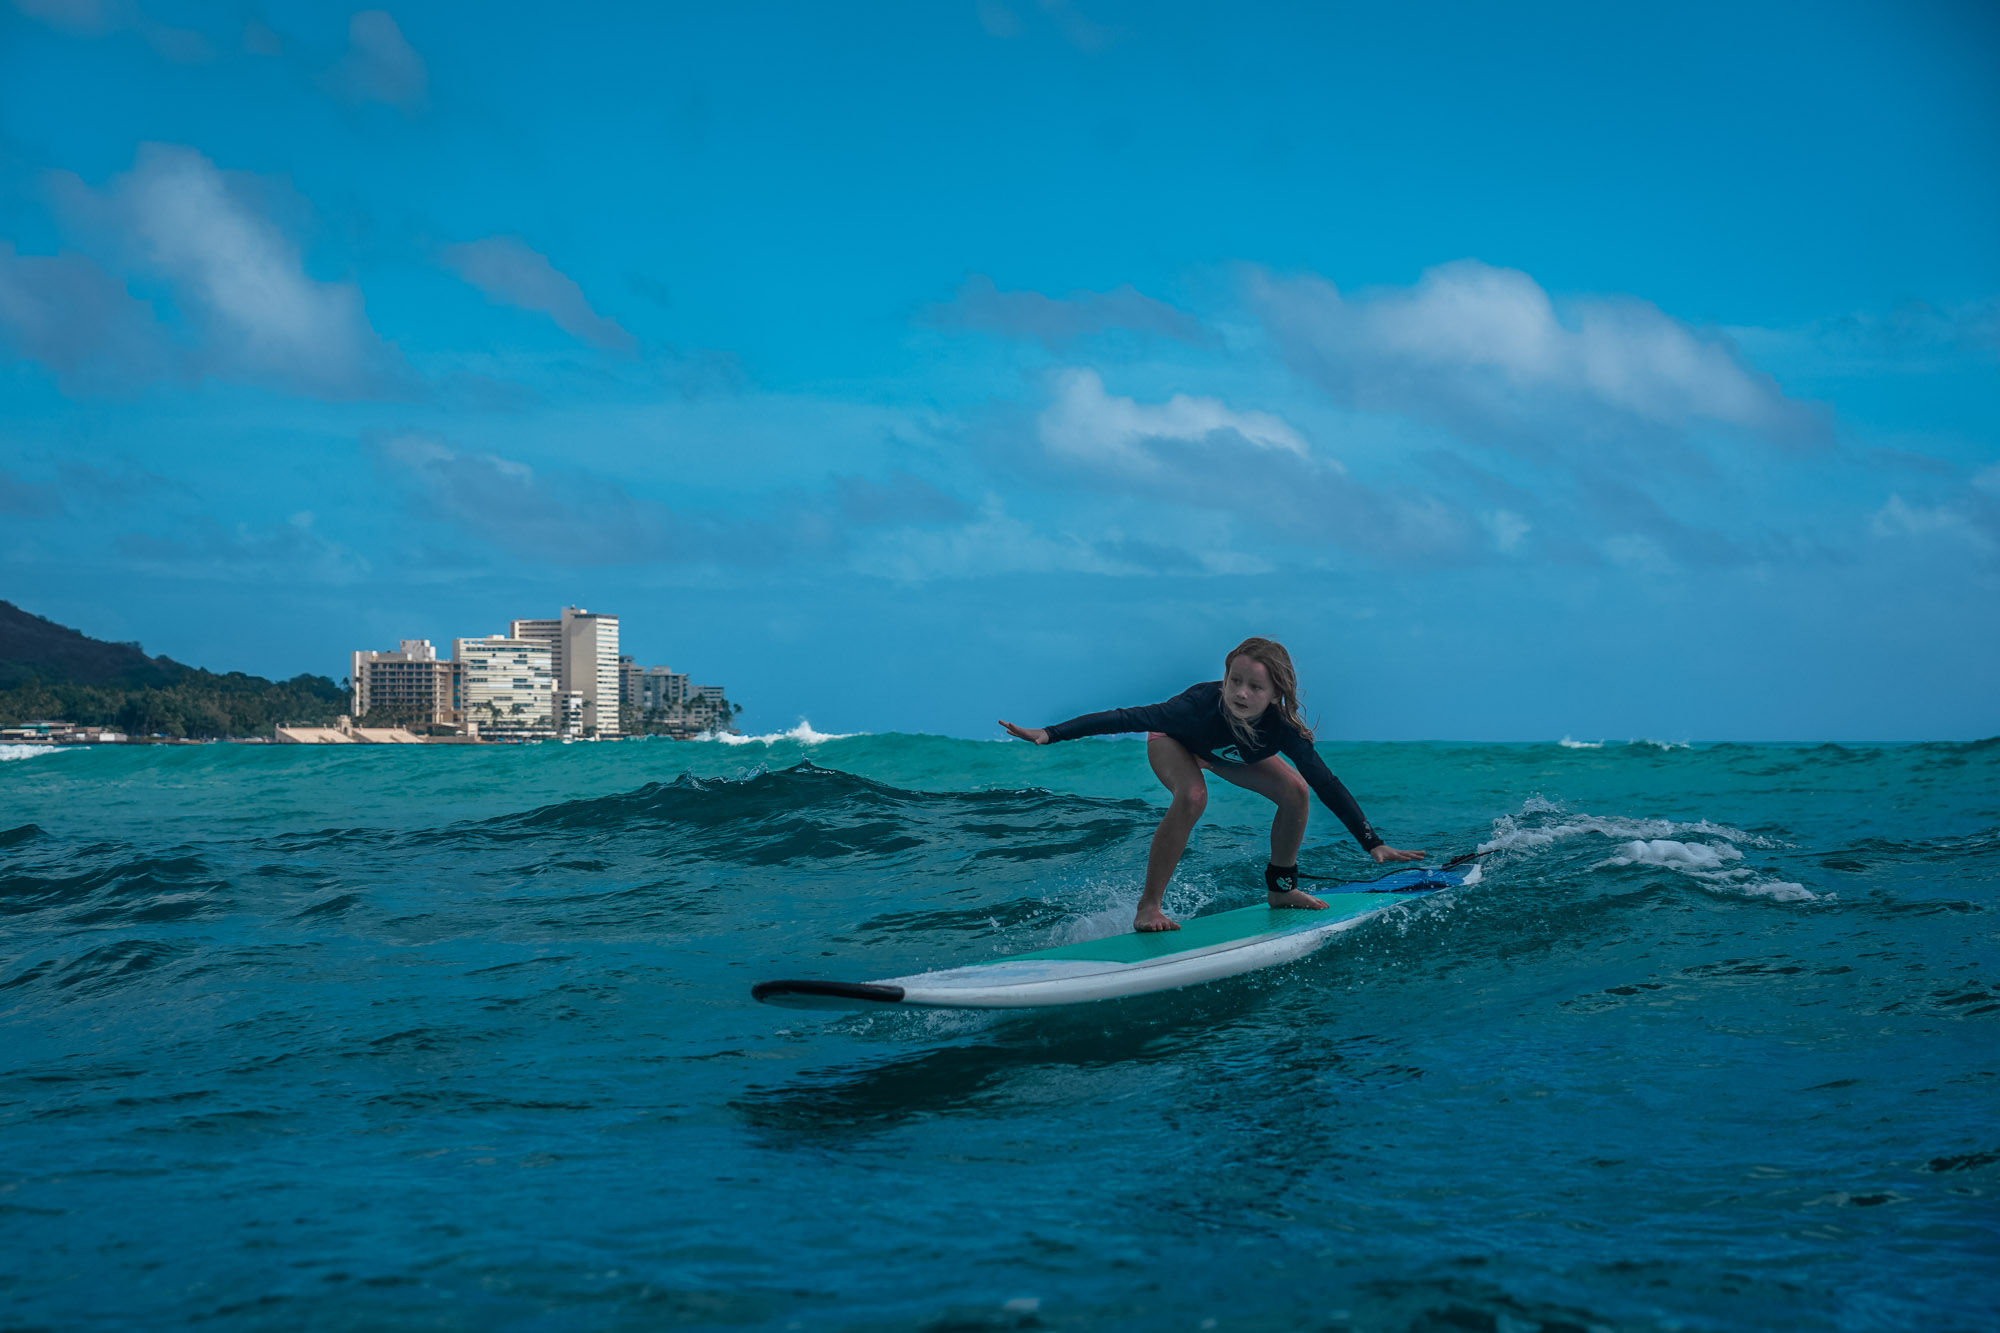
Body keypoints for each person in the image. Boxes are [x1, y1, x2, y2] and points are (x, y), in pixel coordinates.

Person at [999, 636, 1423, 933]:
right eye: (1234, 681)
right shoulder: (1194, 709)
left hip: (1223, 753)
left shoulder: (1281, 729)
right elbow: (1126, 718)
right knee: (1193, 795)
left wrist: (1372, 843)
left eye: (1255, 687)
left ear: (1276, 693)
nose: (1240, 693)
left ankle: (1281, 890)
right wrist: (1050, 734)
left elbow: (1326, 781)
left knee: (1296, 792)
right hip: (1175, 743)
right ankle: (1148, 907)